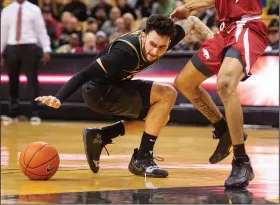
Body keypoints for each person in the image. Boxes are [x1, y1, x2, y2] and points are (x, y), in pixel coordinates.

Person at [35, 15, 214, 178]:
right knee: (167, 95)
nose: (155, 52)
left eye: (162, 47)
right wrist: (59, 98)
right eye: (152, 44)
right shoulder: (123, 53)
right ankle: (142, 159)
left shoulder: (165, 37)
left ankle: (101, 135)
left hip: (117, 85)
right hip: (98, 92)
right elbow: (84, 74)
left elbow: (191, 22)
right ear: (144, 35)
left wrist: (217, 43)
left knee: (160, 118)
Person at [171, 0, 268, 188]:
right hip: (226, 30)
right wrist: (188, 8)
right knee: (185, 83)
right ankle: (224, 130)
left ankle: (241, 161)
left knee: (226, 84)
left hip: (247, 26)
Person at [1, 0, 51, 122]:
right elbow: (3, 32)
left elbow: (41, 31)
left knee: (32, 81)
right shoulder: (7, 10)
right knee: (12, 81)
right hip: (12, 47)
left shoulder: (34, 10)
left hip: (30, 46)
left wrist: (46, 48)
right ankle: (13, 112)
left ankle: (35, 112)